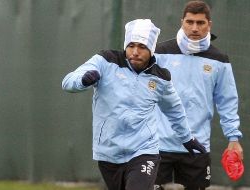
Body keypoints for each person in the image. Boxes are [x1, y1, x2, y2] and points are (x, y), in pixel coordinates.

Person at [62, 19, 206, 190]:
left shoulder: (161, 78)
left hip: (144, 150)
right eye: (131, 45)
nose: (135, 52)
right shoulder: (105, 61)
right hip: (108, 153)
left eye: (142, 47)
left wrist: (187, 138)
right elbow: (67, 82)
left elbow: (174, 110)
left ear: (151, 49)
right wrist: (83, 80)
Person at [154, 1, 243, 190]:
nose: (194, 28)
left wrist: (233, 138)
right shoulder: (160, 53)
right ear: (182, 22)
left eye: (200, 23)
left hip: (197, 147)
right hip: (158, 145)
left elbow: (227, 102)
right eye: (190, 22)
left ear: (209, 24)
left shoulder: (219, 60)